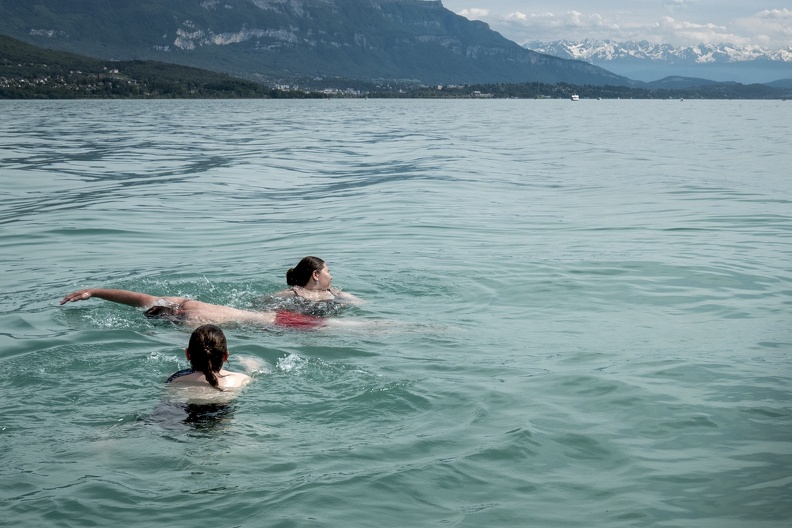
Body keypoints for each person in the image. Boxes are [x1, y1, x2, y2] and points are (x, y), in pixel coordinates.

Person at [60, 287, 327, 329]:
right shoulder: (187, 303)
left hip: (274, 326)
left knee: (339, 328)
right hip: (275, 319)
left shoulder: (189, 323)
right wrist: (93, 291)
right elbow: (138, 297)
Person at [167, 324, 251, 390]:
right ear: (225, 356)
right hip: (221, 410)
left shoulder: (174, 379)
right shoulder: (239, 380)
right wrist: (250, 367)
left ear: (188, 354)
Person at [275, 256, 363, 304]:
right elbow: (361, 304)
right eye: (328, 272)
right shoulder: (336, 294)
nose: (331, 277)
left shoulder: (289, 294)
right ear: (315, 274)